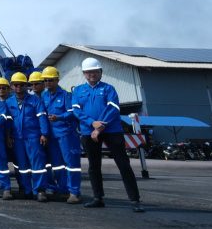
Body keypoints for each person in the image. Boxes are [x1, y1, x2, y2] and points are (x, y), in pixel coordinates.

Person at [72, 57, 144, 212]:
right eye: (88, 72)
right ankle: (98, 198)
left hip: (112, 130)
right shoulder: (78, 91)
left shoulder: (109, 89)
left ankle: (135, 200)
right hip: (88, 131)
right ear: (84, 73)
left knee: (123, 164)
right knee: (94, 166)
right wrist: (92, 123)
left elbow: (113, 108)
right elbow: (76, 110)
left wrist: (100, 127)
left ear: (100, 72)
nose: (92, 74)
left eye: (95, 71)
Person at [7, 72, 50, 202]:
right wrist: (8, 136)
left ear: (26, 86)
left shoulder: (35, 100)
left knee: (37, 165)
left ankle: (40, 191)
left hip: (33, 137)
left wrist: (44, 134)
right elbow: (7, 122)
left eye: (21, 85)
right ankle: (26, 190)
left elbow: (42, 117)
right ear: (12, 86)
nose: (18, 87)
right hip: (17, 138)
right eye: (16, 85)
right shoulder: (8, 102)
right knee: (22, 166)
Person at [41, 66, 82, 203]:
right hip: (51, 136)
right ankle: (63, 190)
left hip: (66, 134)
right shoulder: (44, 96)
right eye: (45, 80)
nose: (48, 83)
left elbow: (72, 112)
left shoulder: (66, 95)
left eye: (50, 80)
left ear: (57, 80)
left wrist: (59, 117)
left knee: (71, 163)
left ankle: (74, 192)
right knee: (57, 164)